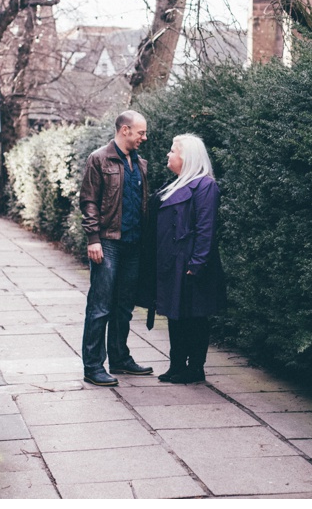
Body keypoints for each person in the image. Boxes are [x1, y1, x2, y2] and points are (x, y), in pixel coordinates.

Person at [78, 110, 155, 386]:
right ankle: (92, 366)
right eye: (140, 132)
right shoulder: (99, 159)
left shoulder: (140, 164)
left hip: (133, 245)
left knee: (124, 307)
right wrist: (93, 239)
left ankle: (120, 359)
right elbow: (88, 201)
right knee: (100, 307)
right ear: (125, 130)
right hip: (107, 243)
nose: (144, 137)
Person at [154, 134, 224, 384]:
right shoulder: (177, 184)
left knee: (195, 316)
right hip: (174, 262)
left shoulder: (205, 186)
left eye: (173, 151)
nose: (168, 155)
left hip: (192, 263)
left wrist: (197, 264)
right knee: (175, 315)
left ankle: (195, 368)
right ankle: (176, 364)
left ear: (187, 157)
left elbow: (206, 228)